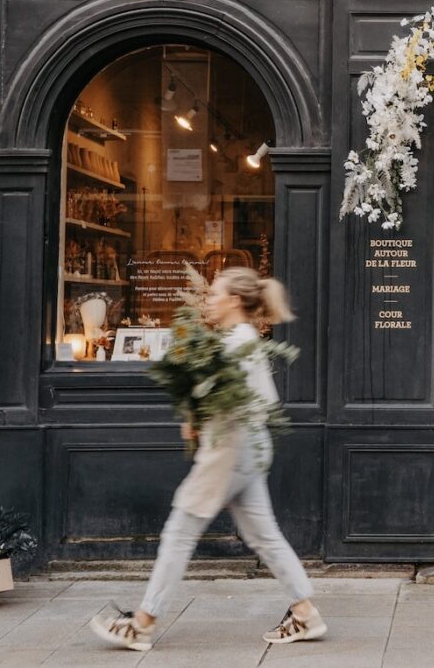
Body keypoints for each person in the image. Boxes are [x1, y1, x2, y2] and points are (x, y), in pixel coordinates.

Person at [90, 267, 326, 651]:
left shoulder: (237, 342)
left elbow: (239, 401)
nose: (209, 300)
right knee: (264, 535)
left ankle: (142, 624)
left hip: (228, 452)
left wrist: (197, 415)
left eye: (215, 294)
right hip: (248, 448)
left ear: (234, 301)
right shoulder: (241, 338)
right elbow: (265, 402)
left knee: (179, 534)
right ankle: (305, 613)